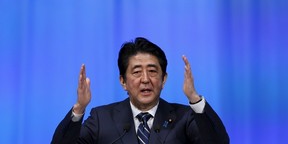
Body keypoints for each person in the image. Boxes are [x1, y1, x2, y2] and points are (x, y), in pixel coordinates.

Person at [51, 37, 229, 144]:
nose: (145, 79)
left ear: (163, 79)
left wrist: (195, 100)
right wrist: (79, 109)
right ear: (123, 81)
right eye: (136, 72)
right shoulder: (101, 118)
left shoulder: (184, 117)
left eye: (152, 71)